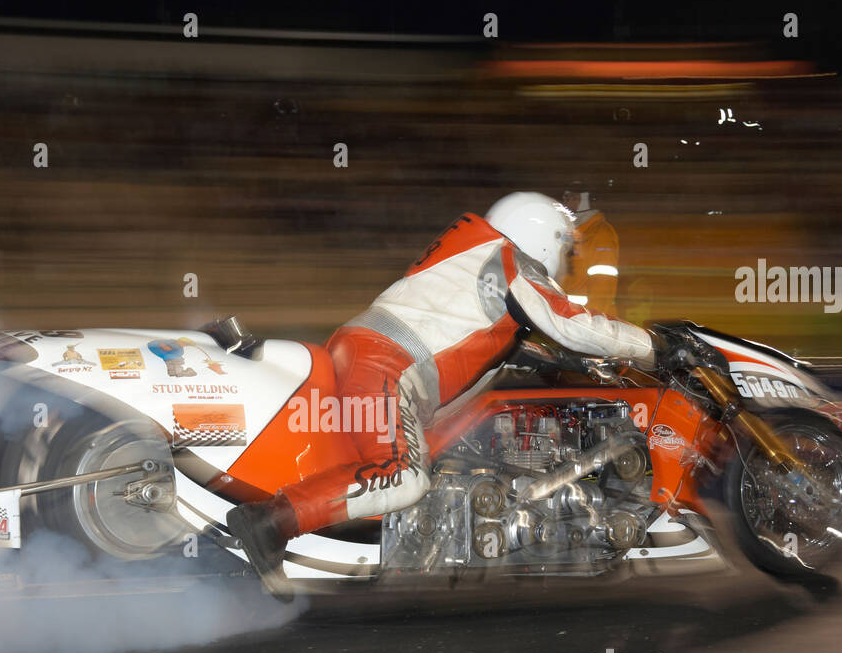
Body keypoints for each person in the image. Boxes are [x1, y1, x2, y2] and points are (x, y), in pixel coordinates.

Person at [226, 192, 656, 598]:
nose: (565, 262)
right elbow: (570, 323)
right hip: (388, 365)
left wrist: (563, 363)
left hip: (366, 351)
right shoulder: (512, 262)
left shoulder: (478, 256)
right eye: (565, 250)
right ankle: (269, 523)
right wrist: (652, 346)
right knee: (405, 475)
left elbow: (488, 338)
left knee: (428, 459)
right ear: (544, 239)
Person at [560, 183, 621, 318]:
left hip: (587, 320)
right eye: (565, 197)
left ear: (584, 201)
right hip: (567, 317)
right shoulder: (569, 232)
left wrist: (594, 320)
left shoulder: (600, 233)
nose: (566, 202)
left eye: (572, 197)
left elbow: (603, 282)